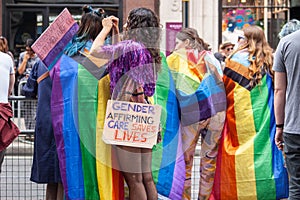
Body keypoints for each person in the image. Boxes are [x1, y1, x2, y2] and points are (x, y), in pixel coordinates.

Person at [90, 7, 161, 200]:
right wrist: (115, 34)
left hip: (127, 113)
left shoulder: (130, 47)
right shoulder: (147, 49)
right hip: (146, 113)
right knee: (146, 178)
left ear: (133, 24)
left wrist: (104, 29)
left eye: (128, 21)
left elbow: (95, 51)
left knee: (134, 179)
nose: (125, 23)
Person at [211, 25, 289, 199]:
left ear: (245, 40)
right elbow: (278, 89)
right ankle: (266, 192)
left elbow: (224, 90)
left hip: (237, 120)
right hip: (265, 120)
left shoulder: (233, 60)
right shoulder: (270, 60)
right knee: (265, 155)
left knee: (239, 159)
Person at [166, 28, 226, 199]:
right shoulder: (211, 58)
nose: (175, 46)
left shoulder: (175, 59)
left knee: (186, 162)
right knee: (209, 162)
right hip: (217, 113)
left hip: (192, 114)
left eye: (177, 42)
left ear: (186, 42)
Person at [22, 59, 63, 200]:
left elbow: (28, 91)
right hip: (65, 122)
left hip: (45, 121)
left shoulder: (40, 64)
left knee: (51, 179)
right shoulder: (73, 60)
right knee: (63, 177)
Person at [273, 25, 300, 199]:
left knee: (296, 186)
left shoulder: (286, 43)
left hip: (294, 126)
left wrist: (280, 126)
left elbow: (279, 90)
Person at [0, 36, 16, 173]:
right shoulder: (8, 59)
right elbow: (12, 81)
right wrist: (7, 93)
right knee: (1, 145)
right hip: (2, 109)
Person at [17, 38, 38, 130]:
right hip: (24, 85)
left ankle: (33, 129)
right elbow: (20, 71)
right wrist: (25, 60)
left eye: (30, 50)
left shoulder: (38, 58)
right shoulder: (23, 56)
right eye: (27, 50)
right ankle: (27, 129)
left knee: (34, 109)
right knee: (26, 109)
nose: (28, 52)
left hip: (34, 85)